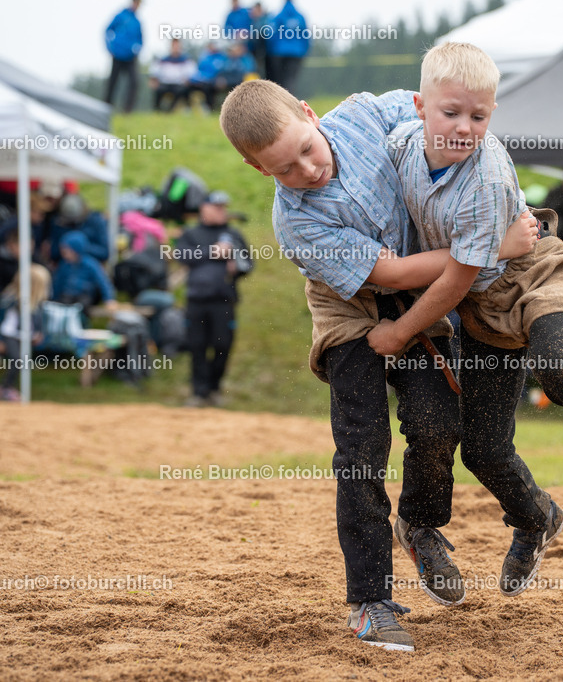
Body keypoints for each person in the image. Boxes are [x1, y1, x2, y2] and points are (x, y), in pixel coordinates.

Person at [220, 79, 537, 651]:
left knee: (439, 424)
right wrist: (492, 244)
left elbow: (449, 124)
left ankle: (418, 526)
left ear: (310, 114)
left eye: (307, 149)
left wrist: (486, 202)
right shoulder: (296, 225)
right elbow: (388, 276)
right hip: (351, 310)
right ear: (256, 168)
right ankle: (370, 601)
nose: (307, 171)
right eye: (285, 169)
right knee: (363, 449)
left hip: (422, 301)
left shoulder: (374, 113)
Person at [368, 42, 563, 575]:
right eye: (451, 113)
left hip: (535, 273)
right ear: (420, 108)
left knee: (557, 359)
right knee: (484, 451)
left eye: (479, 115)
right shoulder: (400, 146)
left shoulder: (486, 176)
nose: (465, 127)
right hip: (481, 310)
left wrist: (400, 331)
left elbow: (452, 282)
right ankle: (536, 518)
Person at [174, 192, 252, 407]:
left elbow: (248, 264)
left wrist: (237, 265)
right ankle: (198, 392)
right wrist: (212, 252)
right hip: (196, 301)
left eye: (223, 207)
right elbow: (182, 255)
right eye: (216, 207)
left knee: (223, 345)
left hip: (224, 300)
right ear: (203, 208)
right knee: (196, 346)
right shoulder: (191, 233)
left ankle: (214, 388)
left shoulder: (232, 234)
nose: (221, 211)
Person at [0, 265, 51, 402]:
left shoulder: (38, 303)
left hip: (26, 336)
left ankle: (6, 388)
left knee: (22, 362)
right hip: (10, 334)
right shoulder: (10, 298)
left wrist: (39, 333)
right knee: (17, 360)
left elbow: (39, 321)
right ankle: (3, 388)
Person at [52, 231, 116, 309]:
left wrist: (109, 299)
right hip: (67, 295)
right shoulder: (65, 265)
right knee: (62, 304)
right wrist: (54, 298)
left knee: (82, 306)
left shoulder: (90, 264)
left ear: (76, 250)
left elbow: (102, 282)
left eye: (66, 252)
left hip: (84, 295)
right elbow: (58, 282)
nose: (63, 255)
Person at [104, 0, 143, 114]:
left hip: (131, 57)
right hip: (118, 55)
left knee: (134, 82)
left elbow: (141, 39)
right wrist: (110, 47)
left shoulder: (137, 22)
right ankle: (106, 108)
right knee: (113, 83)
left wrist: (137, 49)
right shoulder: (121, 16)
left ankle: (127, 110)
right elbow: (107, 31)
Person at [47, 194, 110, 265]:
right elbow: (54, 253)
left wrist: (80, 247)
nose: (73, 222)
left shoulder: (96, 221)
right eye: (70, 221)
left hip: (92, 264)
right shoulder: (59, 223)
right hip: (66, 266)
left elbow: (104, 253)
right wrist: (65, 250)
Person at [266, 0, 309, 94]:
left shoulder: (278, 16)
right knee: (290, 80)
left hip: (278, 53)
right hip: (296, 53)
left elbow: (271, 35)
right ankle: (289, 104)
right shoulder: (300, 17)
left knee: (278, 82)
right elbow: (306, 37)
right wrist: (304, 51)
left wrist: (270, 51)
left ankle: (278, 104)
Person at [148, 39, 195, 112]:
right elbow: (154, 72)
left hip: (179, 84)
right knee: (158, 90)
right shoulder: (163, 59)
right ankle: (157, 109)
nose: (175, 48)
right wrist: (154, 80)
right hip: (165, 83)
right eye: (174, 46)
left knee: (181, 90)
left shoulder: (186, 60)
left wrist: (187, 80)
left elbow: (192, 74)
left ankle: (170, 110)